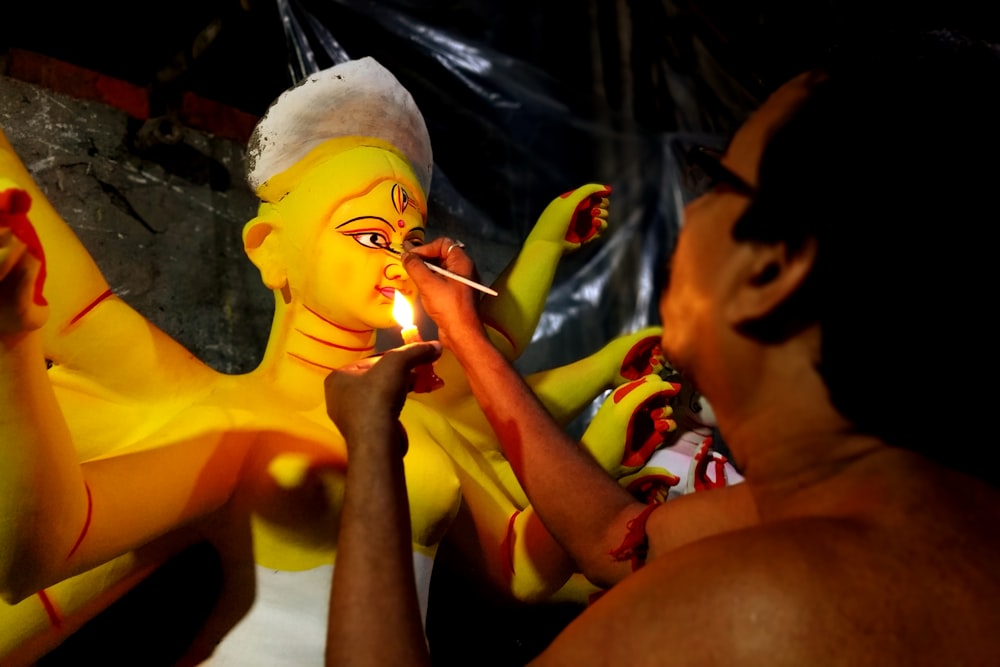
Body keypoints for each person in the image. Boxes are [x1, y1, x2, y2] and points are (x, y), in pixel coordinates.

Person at [323, 27, 1000, 665]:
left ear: (771, 265)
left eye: (717, 178)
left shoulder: (747, 605)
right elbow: (613, 539)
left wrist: (375, 443)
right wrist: (468, 336)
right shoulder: (923, 518)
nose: (693, 204)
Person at [0, 55, 698, 664]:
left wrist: (610, 445)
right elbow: (44, 548)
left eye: (413, 233)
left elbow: (517, 564)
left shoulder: (420, 425)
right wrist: (13, 345)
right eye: (369, 234)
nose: (400, 258)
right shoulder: (241, 422)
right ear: (272, 249)